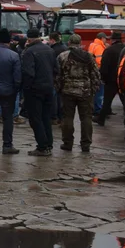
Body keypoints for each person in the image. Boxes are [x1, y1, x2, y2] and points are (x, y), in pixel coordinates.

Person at [55, 34, 100, 152]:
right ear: (80, 43)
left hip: (68, 91)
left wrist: (58, 89)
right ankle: (86, 144)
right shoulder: (89, 56)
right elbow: (95, 75)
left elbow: (58, 75)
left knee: (67, 117)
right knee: (86, 118)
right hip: (86, 91)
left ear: (69, 42)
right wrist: (94, 89)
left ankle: (67, 143)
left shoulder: (63, 56)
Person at [21, 28, 57, 156]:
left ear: (28, 39)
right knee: (46, 117)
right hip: (49, 88)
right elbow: (56, 69)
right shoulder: (50, 50)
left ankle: (42, 146)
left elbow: (28, 73)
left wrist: (25, 91)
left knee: (35, 119)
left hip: (35, 90)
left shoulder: (29, 52)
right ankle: (48, 144)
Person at [96, 32, 125, 126]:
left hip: (111, 80)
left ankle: (101, 119)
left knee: (107, 101)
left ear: (113, 40)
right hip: (123, 80)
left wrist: (103, 78)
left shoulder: (109, 50)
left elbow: (104, 67)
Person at [48, 32, 68, 124]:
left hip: (55, 76)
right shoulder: (65, 48)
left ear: (52, 40)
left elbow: (52, 65)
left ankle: (53, 116)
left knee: (54, 97)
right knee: (61, 98)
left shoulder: (52, 50)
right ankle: (61, 116)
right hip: (64, 76)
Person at [89, 32, 108, 115]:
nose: (106, 40)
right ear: (102, 38)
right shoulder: (99, 47)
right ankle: (98, 109)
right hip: (98, 71)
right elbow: (99, 61)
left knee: (94, 91)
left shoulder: (92, 45)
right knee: (99, 91)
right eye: (105, 39)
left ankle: (94, 108)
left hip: (92, 71)